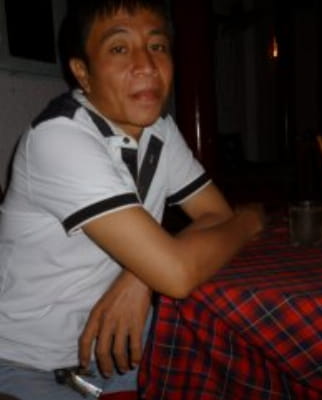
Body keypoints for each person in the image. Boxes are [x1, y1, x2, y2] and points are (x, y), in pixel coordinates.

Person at [0, 0, 266, 399]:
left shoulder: (160, 130)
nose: (146, 65)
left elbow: (214, 214)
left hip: (117, 347)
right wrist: (249, 221)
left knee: (240, 370)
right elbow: (180, 271)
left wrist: (139, 276)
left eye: (157, 46)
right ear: (82, 73)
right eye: (119, 48)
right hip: (23, 364)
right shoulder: (59, 138)